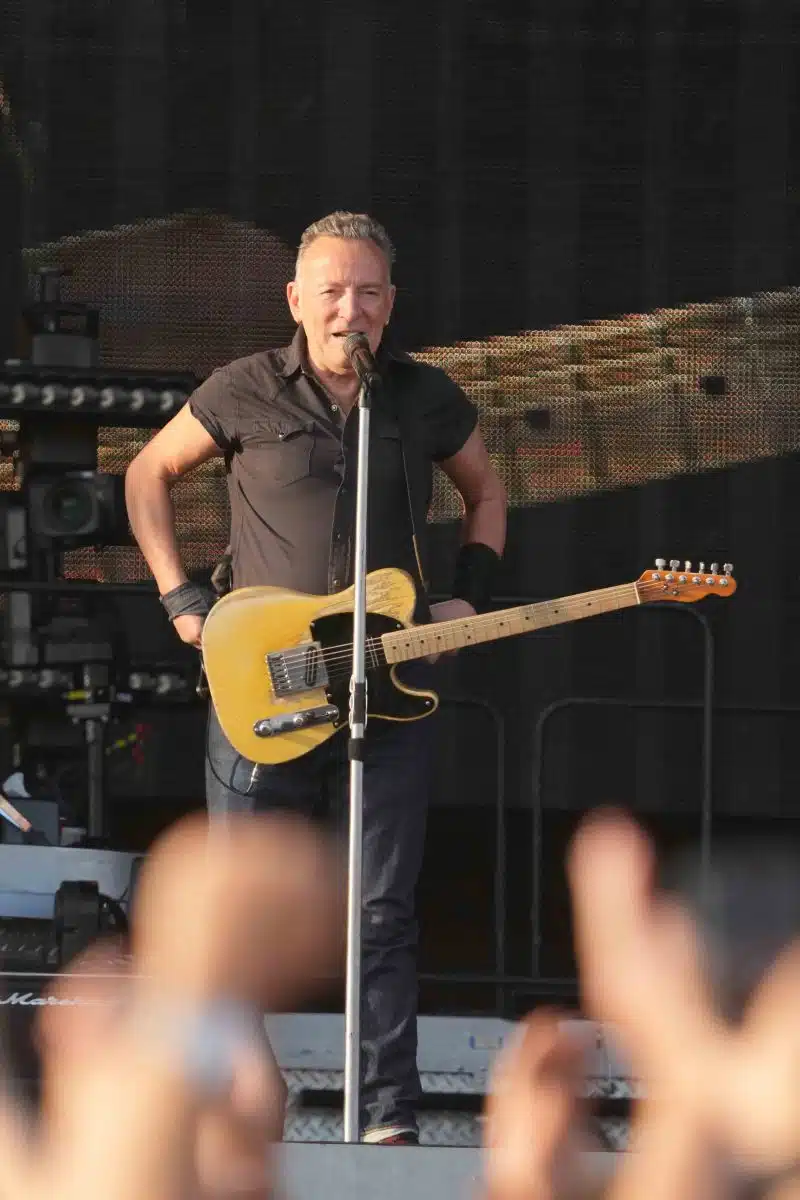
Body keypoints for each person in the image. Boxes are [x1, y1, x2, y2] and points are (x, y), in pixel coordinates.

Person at [125, 210, 507, 1145]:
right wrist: (179, 596)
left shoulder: (420, 397)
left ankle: (385, 1117)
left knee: (381, 907)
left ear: (390, 303)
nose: (351, 310)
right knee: (239, 913)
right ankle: (236, 1109)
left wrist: (468, 597)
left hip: (387, 682)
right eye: (332, 292)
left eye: (368, 292)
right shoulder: (244, 388)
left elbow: (486, 491)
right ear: (296, 300)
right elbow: (148, 472)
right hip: (268, 681)